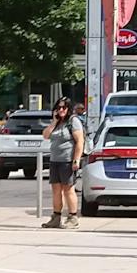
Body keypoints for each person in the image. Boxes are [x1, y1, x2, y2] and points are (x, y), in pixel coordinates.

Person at [41, 96, 85, 230]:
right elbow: (46, 135)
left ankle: (72, 217)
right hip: (55, 160)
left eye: (64, 107)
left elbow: (80, 141)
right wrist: (54, 122)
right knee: (56, 190)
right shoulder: (57, 123)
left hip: (67, 161)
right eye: (58, 108)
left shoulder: (74, 121)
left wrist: (76, 159)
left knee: (68, 189)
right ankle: (56, 217)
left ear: (68, 109)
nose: (61, 110)